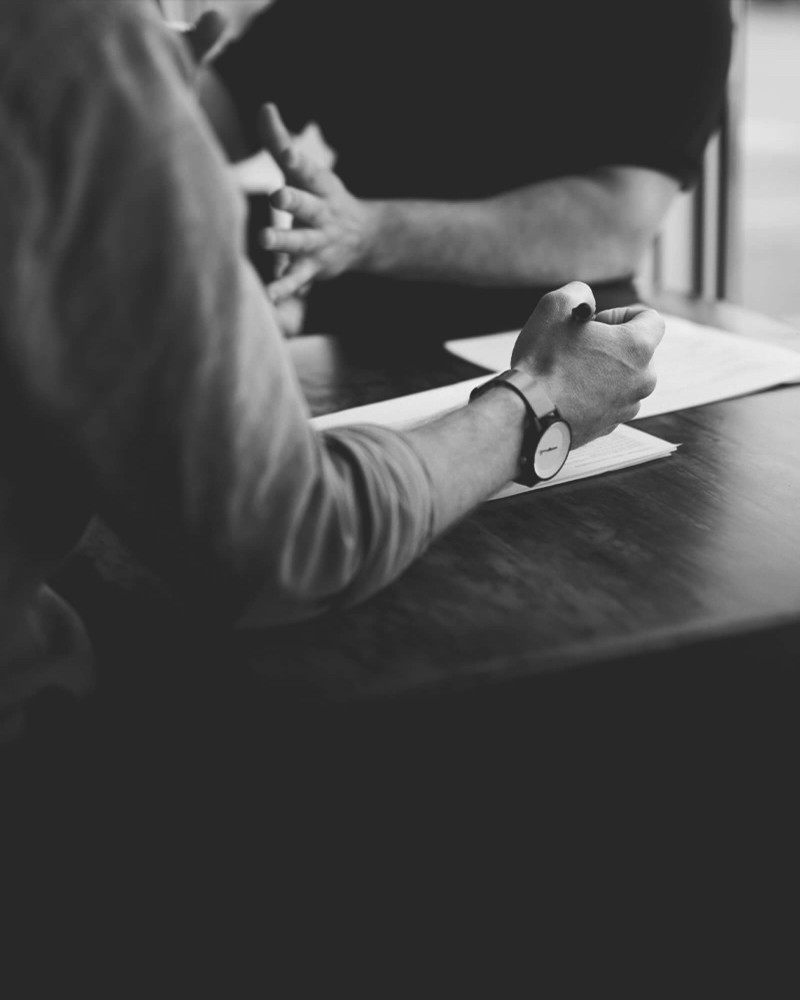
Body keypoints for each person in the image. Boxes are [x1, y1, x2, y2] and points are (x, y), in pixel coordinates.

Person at [0, 0, 664, 746]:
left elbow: (618, 217)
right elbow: (284, 541)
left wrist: (142, 108)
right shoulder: (77, 41)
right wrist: (542, 400)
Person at [196, 0, 734, 340]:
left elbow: (613, 223)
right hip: (360, 343)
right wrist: (133, 73)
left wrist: (367, 231)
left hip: (558, 358)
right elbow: (215, 112)